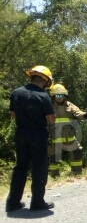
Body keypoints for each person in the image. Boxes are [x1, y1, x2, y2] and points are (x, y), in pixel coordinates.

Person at [6, 65, 56, 212]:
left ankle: (12, 203)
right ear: (46, 81)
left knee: (20, 167)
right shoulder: (43, 96)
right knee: (39, 168)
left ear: (32, 76)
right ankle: (37, 202)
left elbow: (13, 115)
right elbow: (51, 119)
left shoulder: (16, 93)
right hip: (38, 135)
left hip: (21, 133)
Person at [47, 83, 87, 178]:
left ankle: (77, 174)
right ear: (53, 96)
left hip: (69, 137)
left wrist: (86, 115)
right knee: (54, 159)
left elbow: (78, 113)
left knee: (77, 153)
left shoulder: (69, 105)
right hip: (54, 138)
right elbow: (42, 122)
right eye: (57, 95)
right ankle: (55, 177)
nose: (59, 97)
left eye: (61, 95)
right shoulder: (48, 107)